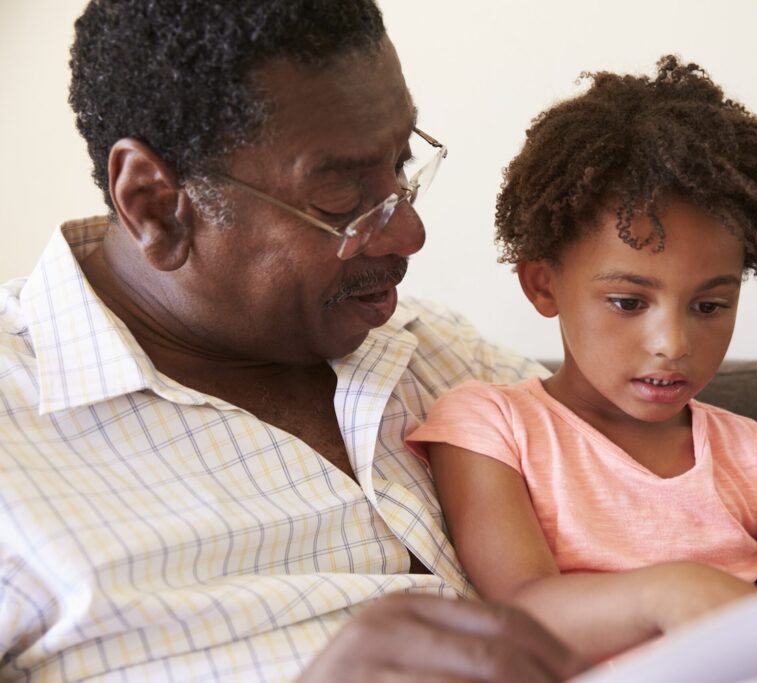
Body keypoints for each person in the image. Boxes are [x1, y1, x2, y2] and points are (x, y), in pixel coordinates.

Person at [0, 1, 590, 680]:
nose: (409, 235)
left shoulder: (440, 353)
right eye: (340, 192)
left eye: (399, 163)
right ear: (155, 205)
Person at [407, 56, 757, 664]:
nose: (672, 343)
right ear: (543, 285)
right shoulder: (492, 426)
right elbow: (520, 612)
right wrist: (672, 590)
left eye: (709, 306)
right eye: (629, 301)